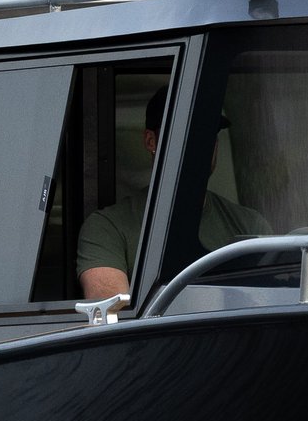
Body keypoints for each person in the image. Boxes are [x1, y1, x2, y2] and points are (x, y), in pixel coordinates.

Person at [76, 85, 266, 301]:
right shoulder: (107, 227)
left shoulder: (250, 225)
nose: (199, 142)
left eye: (208, 131)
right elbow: (112, 319)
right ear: (151, 141)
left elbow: (272, 307)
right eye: (185, 131)